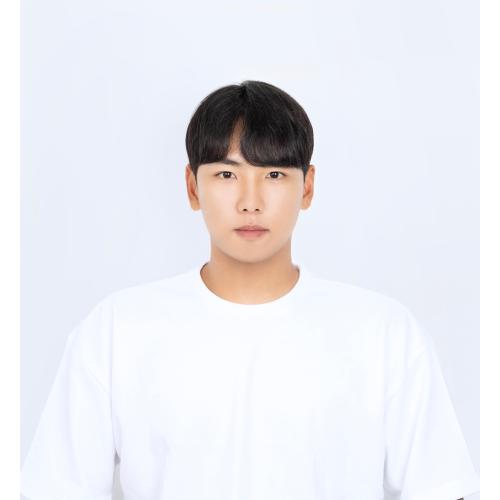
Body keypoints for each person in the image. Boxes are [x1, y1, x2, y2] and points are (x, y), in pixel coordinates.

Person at [21, 80, 479, 499]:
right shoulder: (118, 330)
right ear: (192, 187)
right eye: (227, 174)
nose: (250, 201)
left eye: (274, 175)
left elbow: (441, 488)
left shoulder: (383, 333)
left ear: (307, 187)